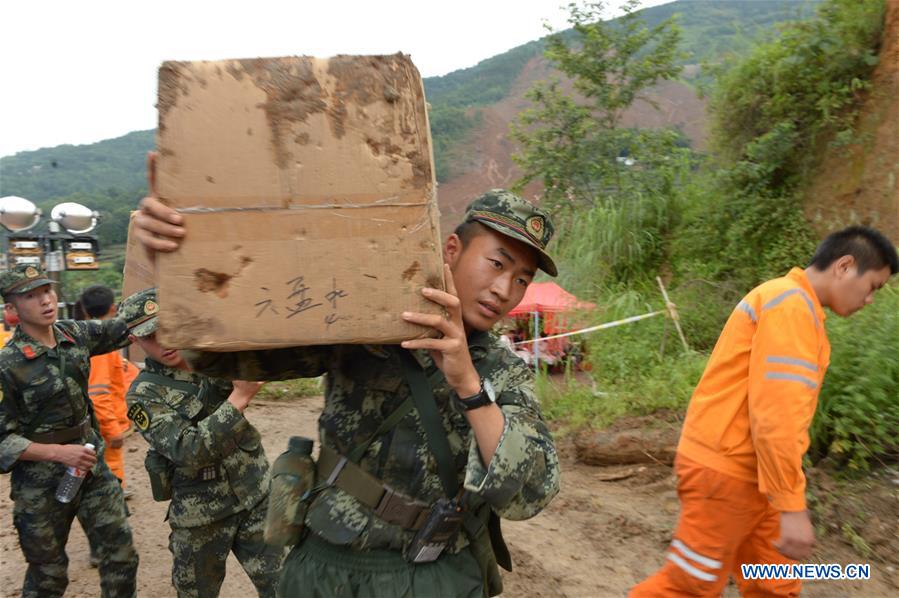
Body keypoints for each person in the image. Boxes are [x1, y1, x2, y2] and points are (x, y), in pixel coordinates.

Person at [135, 179, 561, 597]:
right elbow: (220, 352)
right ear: (452, 249)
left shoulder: (503, 371)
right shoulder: (364, 322)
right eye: (497, 264)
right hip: (327, 567)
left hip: (437, 573)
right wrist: (178, 266)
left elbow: (529, 492)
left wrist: (467, 382)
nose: (505, 290)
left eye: (522, 280)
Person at [631, 226, 898, 597]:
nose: (870, 299)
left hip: (760, 478)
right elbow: (776, 419)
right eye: (873, 286)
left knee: (774, 583)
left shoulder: (792, 304)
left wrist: (786, 497)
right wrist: (793, 508)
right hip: (726, 474)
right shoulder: (790, 307)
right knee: (690, 586)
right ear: (845, 266)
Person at [120, 287, 283, 597]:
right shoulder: (143, 396)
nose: (164, 340)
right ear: (134, 341)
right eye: (151, 336)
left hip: (256, 493)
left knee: (288, 585)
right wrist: (240, 396)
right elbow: (188, 449)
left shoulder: (215, 356)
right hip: (201, 514)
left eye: (167, 327)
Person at [0, 264, 139, 597]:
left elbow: (126, 327)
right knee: (49, 575)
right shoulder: (7, 364)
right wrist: (56, 452)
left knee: (121, 557)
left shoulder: (74, 333)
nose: (45, 300)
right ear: (12, 309)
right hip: (39, 482)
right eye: (31, 296)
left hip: (91, 467)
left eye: (47, 291)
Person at [77, 285, 132, 493]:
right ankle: (113, 493)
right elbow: (98, 392)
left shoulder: (87, 336)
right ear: (113, 308)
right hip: (103, 425)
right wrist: (113, 429)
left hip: (100, 421)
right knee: (109, 464)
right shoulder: (100, 343)